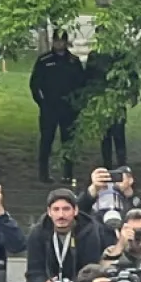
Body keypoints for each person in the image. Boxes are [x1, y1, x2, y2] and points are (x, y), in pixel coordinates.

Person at [31, 30, 85, 183]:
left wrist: (77, 104)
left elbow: (81, 84)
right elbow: (35, 84)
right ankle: (44, 174)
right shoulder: (44, 60)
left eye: (62, 41)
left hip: (69, 109)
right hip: (49, 107)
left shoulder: (74, 61)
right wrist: (42, 102)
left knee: (68, 142)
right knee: (46, 140)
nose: (59, 44)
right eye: (56, 41)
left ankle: (67, 174)